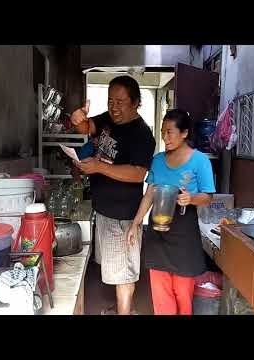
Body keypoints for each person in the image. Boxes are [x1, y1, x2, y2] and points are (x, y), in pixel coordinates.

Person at [70, 75, 156, 315]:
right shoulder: (109, 119)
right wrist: (78, 120)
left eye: (120, 102)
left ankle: (124, 312)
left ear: (136, 102)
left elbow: (138, 174)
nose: (114, 107)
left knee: (124, 271)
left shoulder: (141, 134)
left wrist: (98, 167)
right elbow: (86, 128)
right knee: (116, 267)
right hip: (105, 209)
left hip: (123, 214)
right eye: (110, 101)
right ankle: (121, 309)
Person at [127, 109, 215, 315]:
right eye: (162, 132)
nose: (164, 138)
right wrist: (135, 224)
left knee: (183, 294)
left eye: (169, 132)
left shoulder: (200, 161)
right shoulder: (157, 160)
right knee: (161, 295)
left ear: (184, 133)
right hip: (158, 232)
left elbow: (208, 197)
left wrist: (191, 198)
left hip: (184, 234)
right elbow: (149, 195)